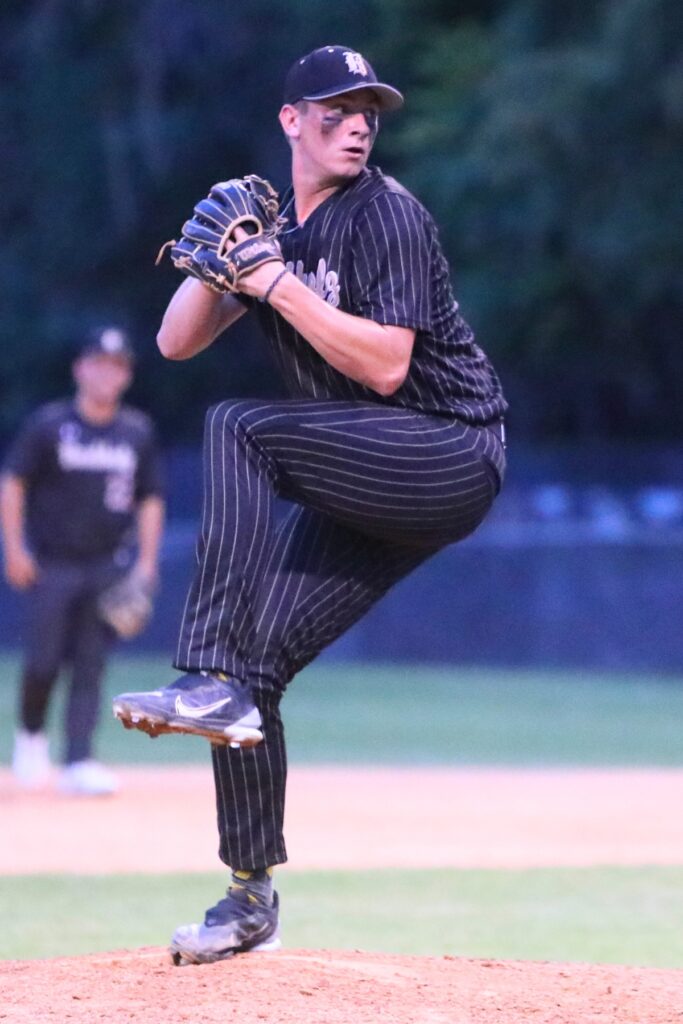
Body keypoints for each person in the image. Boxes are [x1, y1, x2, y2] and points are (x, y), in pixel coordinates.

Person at [113, 44, 507, 962]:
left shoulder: (389, 215)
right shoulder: (275, 227)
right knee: (258, 667)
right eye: (336, 108)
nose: (358, 122)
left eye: (369, 108)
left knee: (240, 426)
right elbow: (174, 342)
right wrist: (223, 263)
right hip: (365, 473)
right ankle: (249, 895)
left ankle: (201, 670)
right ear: (291, 120)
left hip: (447, 449)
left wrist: (273, 281)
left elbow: (387, 366)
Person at [1, 326, 165, 796]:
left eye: (116, 365)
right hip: (53, 562)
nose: (106, 373)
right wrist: (15, 548)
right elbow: (13, 482)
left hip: (108, 563)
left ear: (126, 375)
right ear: (79, 369)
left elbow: (150, 499)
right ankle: (31, 738)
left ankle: (78, 758)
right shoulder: (50, 425)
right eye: (98, 362)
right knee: (43, 660)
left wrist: (146, 563)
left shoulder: (136, 431)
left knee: (91, 663)